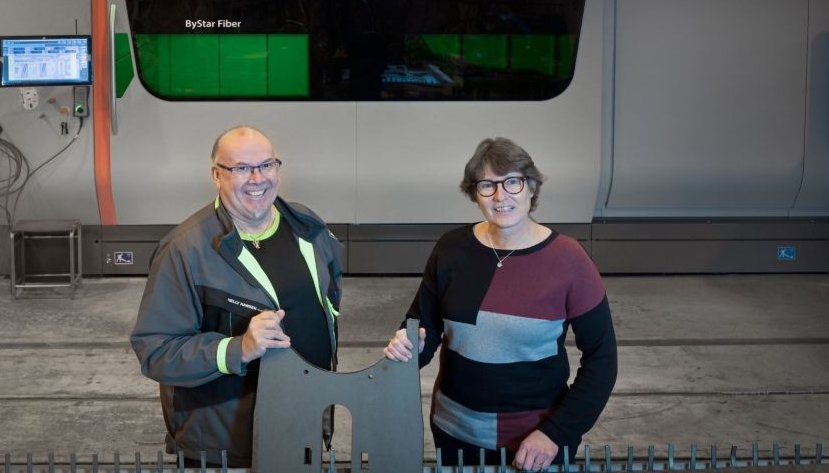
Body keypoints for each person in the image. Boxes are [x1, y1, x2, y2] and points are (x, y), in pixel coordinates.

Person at [384, 137, 617, 470]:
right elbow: (424, 327)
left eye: (512, 182)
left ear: (532, 188)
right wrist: (407, 347)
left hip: (536, 442)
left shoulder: (569, 260)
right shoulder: (452, 248)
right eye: (487, 185)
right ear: (474, 194)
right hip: (455, 432)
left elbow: (603, 359)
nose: (500, 196)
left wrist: (556, 433)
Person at [131, 126, 343, 467]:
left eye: (267, 165)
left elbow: (329, 303)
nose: (257, 179)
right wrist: (237, 348)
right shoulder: (185, 250)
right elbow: (155, 352)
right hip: (224, 445)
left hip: (304, 425)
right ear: (217, 175)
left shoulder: (308, 227)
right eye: (242, 168)